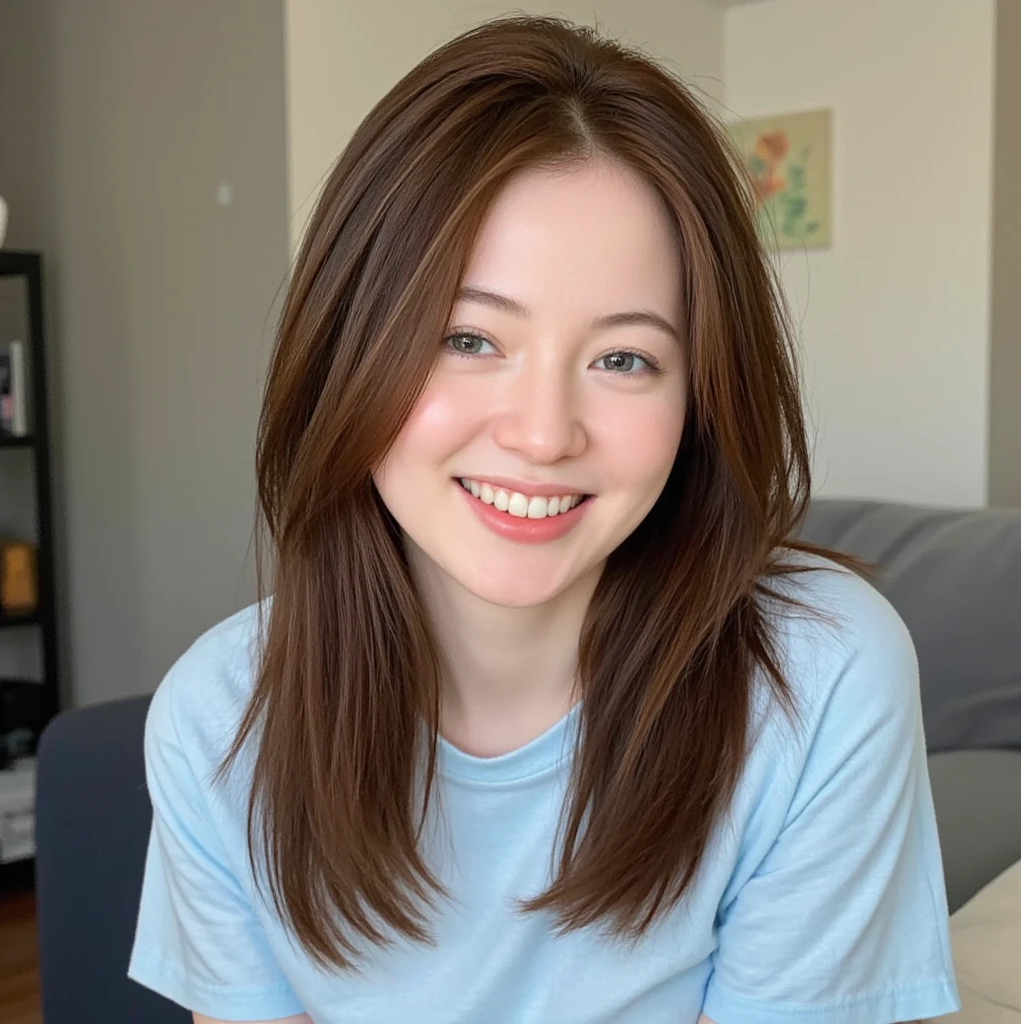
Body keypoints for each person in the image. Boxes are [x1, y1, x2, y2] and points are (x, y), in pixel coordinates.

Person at [127, 15, 960, 1024]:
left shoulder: (818, 677)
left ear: (699, 401)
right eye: (468, 337)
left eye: (623, 359)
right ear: (348, 350)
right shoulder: (221, 722)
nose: (540, 433)